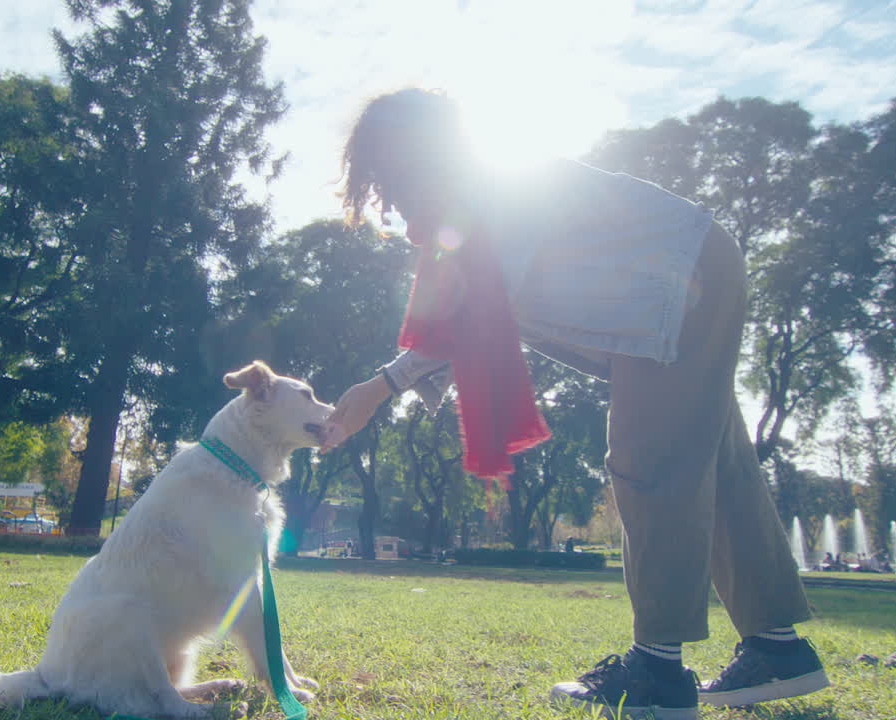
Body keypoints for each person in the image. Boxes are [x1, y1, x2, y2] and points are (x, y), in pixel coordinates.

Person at [320, 88, 827, 718]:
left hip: (678, 280)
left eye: (385, 178)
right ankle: (777, 649)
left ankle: (657, 672)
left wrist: (379, 386)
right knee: (717, 459)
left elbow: (474, 308)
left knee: (650, 462)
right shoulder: (471, 199)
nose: (389, 201)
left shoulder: (481, 191)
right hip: (693, 269)